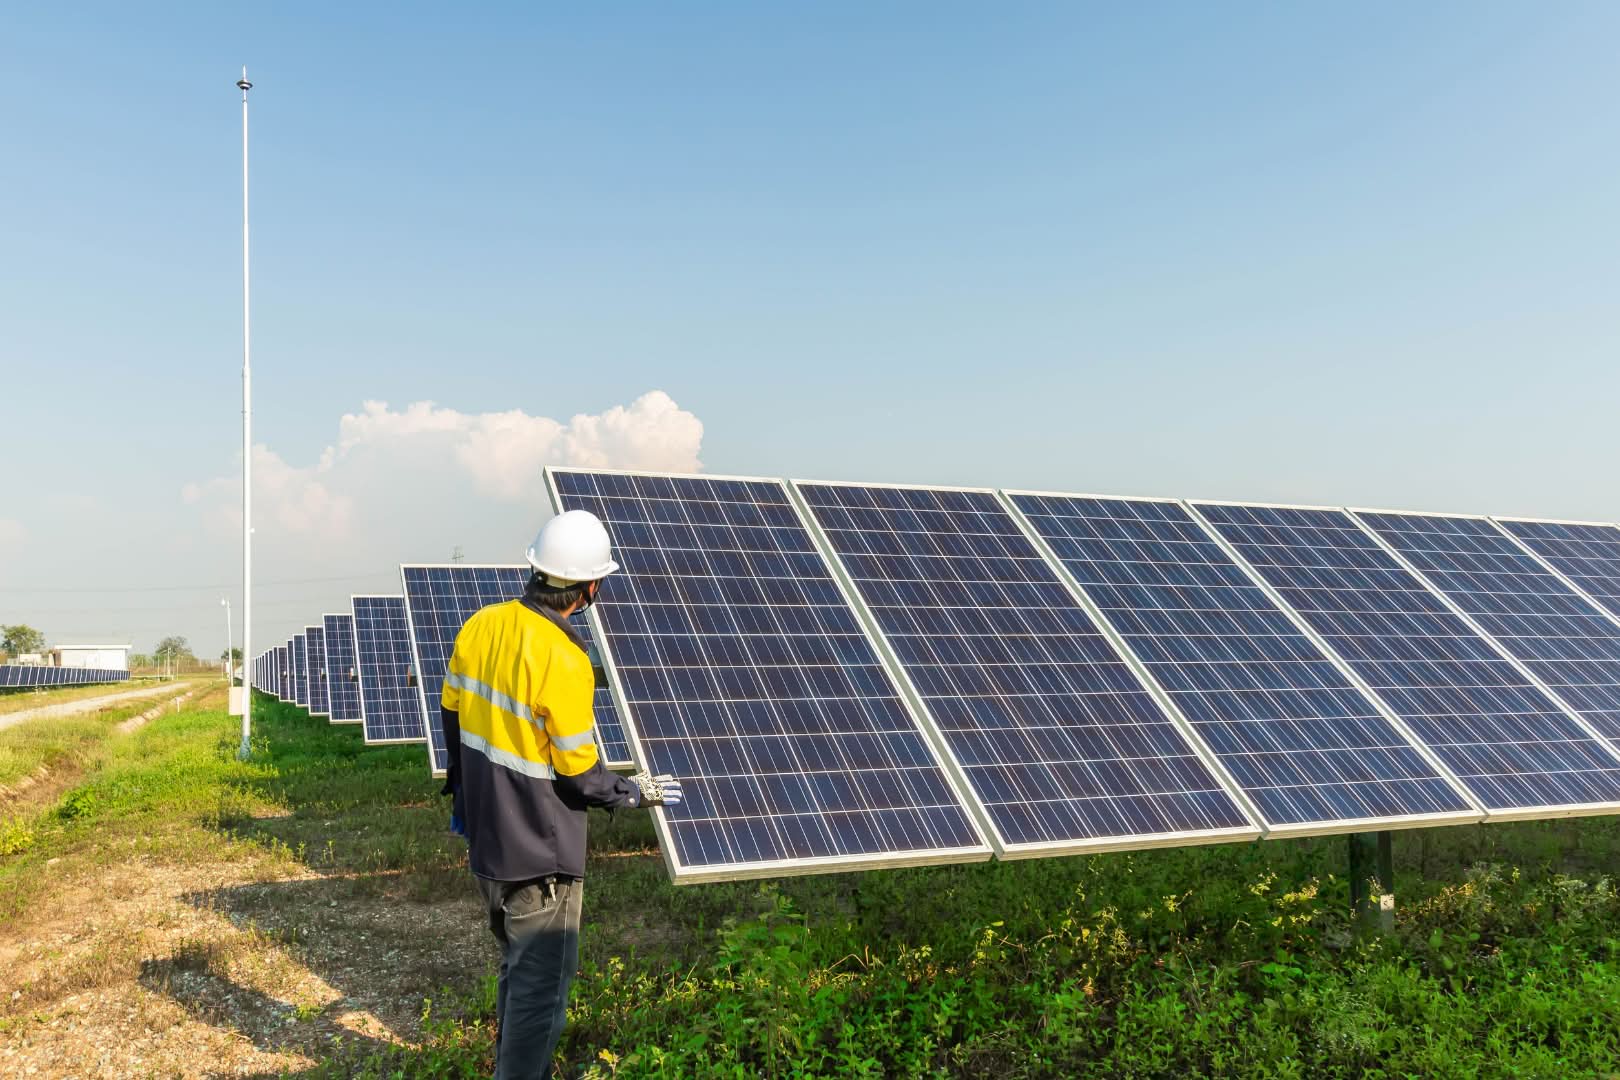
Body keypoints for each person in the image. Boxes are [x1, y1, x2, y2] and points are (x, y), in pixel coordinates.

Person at [440, 509, 681, 1079]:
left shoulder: (481, 624)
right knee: (540, 988)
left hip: (487, 838)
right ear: (590, 587)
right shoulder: (565, 659)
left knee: (518, 968)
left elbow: (452, 715)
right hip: (539, 854)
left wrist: (467, 800)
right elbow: (579, 772)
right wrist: (632, 792)